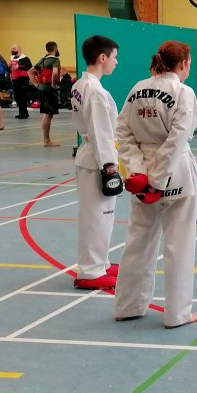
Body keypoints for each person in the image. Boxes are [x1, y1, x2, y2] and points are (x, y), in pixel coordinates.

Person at [114, 41, 197, 329]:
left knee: (138, 240)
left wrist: (140, 171)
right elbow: (177, 138)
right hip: (174, 170)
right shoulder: (183, 92)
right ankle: (177, 313)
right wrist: (157, 178)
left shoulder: (137, 88)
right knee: (179, 244)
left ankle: (128, 306)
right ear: (183, 64)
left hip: (143, 174)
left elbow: (122, 132)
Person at [70, 36, 122, 290]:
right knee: (96, 217)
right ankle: (91, 271)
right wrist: (109, 168)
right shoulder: (95, 91)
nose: (116, 62)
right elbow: (102, 132)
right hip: (96, 159)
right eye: (114, 57)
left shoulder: (81, 84)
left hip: (90, 156)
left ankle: (100, 262)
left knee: (102, 216)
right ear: (102, 58)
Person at [32, 41, 62, 147]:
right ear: (55, 48)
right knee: (49, 114)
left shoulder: (43, 59)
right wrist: (54, 84)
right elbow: (54, 73)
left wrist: (36, 84)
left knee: (46, 114)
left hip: (41, 88)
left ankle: (46, 139)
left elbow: (30, 72)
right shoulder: (55, 60)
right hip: (49, 89)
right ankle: (47, 141)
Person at [9, 44, 33, 120]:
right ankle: (21, 112)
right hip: (15, 80)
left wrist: (19, 67)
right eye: (12, 48)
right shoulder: (12, 58)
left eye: (14, 48)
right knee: (17, 96)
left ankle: (24, 113)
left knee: (22, 97)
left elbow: (30, 68)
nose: (12, 49)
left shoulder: (25, 58)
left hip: (22, 80)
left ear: (18, 49)